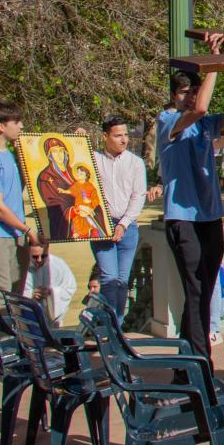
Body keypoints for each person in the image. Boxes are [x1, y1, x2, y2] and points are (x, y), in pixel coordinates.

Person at [158, 32, 224, 362]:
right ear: (174, 95)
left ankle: (186, 365)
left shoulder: (207, 125)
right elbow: (198, 109)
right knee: (197, 291)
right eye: (184, 92)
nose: (190, 97)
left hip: (210, 218)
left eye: (193, 91)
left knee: (201, 293)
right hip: (183, 220)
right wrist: (214, 60)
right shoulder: (167, 121)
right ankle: (200, 363)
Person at [0, 101, 44, 294]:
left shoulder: (8, 155)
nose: (21, 126)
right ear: (1, 126)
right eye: (16, 121)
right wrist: (28, 230)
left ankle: (13, 326)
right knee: (0, 295)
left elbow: (20, 184)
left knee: (15, 296)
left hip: (15, 234)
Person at [91, 116, 146, 318]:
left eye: (125, 135)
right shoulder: (94, 160)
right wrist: (77, 138)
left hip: (128, 225)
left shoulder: (135, 163)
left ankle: (117, 326)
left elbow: (138, 196)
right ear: (106, 136)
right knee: (108, 278)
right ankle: (109, 326)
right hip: (101, 225)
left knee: (122, 280)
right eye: (118, 135)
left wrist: (123, 223)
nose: (124, 140)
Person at [23, 242, 77, 327]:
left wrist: (52, 292)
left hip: (53, 321)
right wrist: (30, 294)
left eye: (44, 256)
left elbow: (70, 288)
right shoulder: (21, 266)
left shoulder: (58, 264)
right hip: (27, 319)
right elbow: (12, 292)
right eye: (35, 257)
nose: (39, 260)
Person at [35, 137, 77, 240]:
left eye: (61, 151)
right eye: (54, 151)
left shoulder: (74, 172)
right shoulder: (45, 176)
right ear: (49, 156)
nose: (59, 154)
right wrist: (73, 209)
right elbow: (53, 202)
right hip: (64, 219)